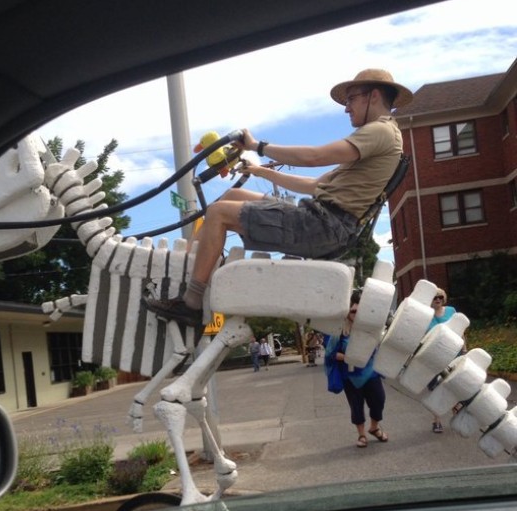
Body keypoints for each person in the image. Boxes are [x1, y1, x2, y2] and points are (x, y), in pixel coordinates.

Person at [144, 69, 413, 329]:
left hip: (323, 226)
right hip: (322, 220)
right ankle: (189, 264)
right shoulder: (373, 145)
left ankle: (190, 302)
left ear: (373, 96)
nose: (346, 108)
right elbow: (311, 185)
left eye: (351, 99)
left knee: (218, 214)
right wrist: (259, 169)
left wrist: (256, 146)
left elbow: (313, 157)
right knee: (232, 196)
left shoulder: (380, 131)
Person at [324, 291, 388, 449]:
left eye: (359, 311)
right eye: (353, 311)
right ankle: (361, 435)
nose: (356, 314)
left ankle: (374, 427)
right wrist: (349, 358)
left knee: (379, 400)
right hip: (350, 376)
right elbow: (330, 353)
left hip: (370, 372)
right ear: (347, 312)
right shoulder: (338, 331)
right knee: (356, 405)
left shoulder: (369, 327)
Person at [427, 287, 461, 433]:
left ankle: (456, 414)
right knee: (436, 388)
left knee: (455, 385)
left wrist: (464, 348)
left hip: (454, 354)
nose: (438, 300)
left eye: (440, 297)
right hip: (435, 357)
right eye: (435, 297)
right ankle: (437, 420)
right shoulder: (426, 316)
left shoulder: (451, 311)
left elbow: (460, 330)